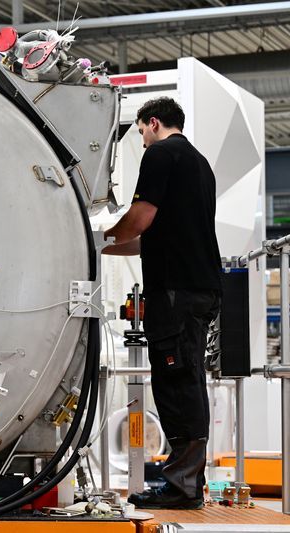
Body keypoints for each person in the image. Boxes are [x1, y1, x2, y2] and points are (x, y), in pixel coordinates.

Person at [103, 97, 221, 510]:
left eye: (140, 132)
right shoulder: (199, 164)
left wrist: (97, 235)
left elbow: (137, 220)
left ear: (153, 123)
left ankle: (183, 486)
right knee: (185, 380)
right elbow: (145, 239)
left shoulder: (161, 154)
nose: (142, 141)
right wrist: (99, 248)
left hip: (176, 290)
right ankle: (186, 481)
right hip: (196, 288)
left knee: (177, 384)